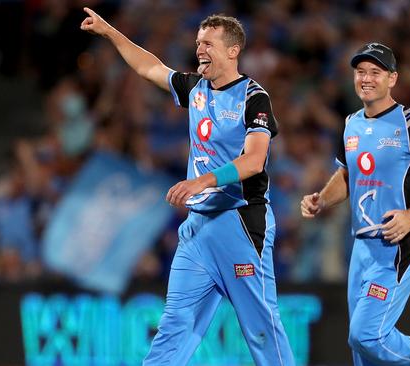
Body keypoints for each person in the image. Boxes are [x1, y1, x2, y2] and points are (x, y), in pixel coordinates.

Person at [80, 8, 295, 366]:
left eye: (208, 44)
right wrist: (109, 33)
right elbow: (149, 67)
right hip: (198, 231)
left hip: (240, 223)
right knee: (175, 326)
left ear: (232, 50)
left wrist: (202, 181)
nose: (199, 50)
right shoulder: (195, 88)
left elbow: (255, 161)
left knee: (260, 327)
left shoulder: (253, 98)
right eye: (198, 43)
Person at [301, 42, 410, 365]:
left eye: (376, 72)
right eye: (361, 72)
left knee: (366, 334)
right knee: (361, 348)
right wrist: (321, 199)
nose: (367, 78)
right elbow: (346, 176)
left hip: (399, 242)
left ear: (393, 79)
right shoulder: (350, 124)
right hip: (361, 247)